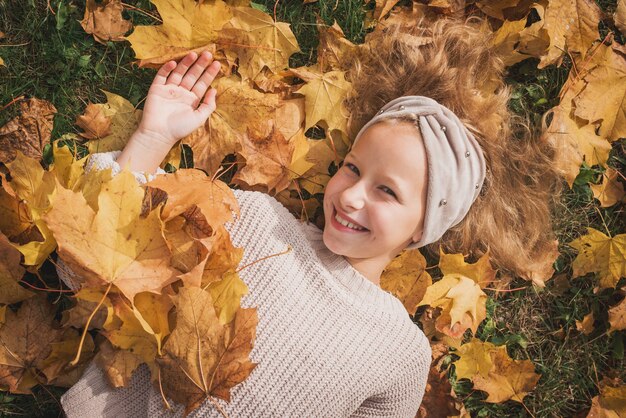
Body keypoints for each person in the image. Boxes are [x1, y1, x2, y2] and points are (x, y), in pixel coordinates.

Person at [58, 15, 562, 418]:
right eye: (352, 169)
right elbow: (99, 258)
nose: (352, 196)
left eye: (386, 190)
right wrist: (153, 139)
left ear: (424, 227)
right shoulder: (255, 219)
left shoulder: (402, 354)